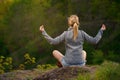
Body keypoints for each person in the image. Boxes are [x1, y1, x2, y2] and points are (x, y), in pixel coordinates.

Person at [39, 15, 106, 67]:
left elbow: (53, 42)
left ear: (69, 23)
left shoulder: (66, 33)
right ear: (78, 22)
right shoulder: (82, 33)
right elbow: (95, 41)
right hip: (80, 64)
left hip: (68, 63)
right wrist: (101, 31)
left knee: (55, 52)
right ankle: (81, 63)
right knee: (84, 52)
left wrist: (43, 32)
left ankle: (63, 64)